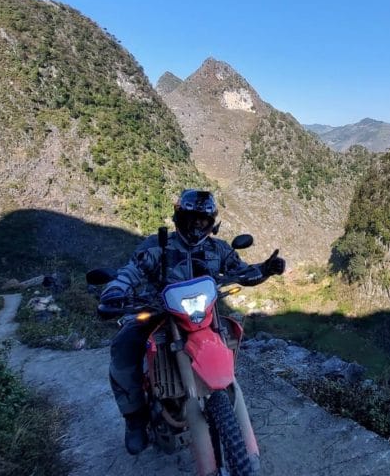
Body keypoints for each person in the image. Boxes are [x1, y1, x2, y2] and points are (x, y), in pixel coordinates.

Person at [100, 189, 286, 455]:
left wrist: (267, 269)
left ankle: (218, 393)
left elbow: (242, 273)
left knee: (228, 332)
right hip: (158, 315)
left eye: (203, 220)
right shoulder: (157, 247)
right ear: (179, 218)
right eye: (191, 218)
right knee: (123, 347)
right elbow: (130, 272)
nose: (197, 225)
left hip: (203, 317)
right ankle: (135, 420)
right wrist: (115, 291)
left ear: (211, 223)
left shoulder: (218, 249)